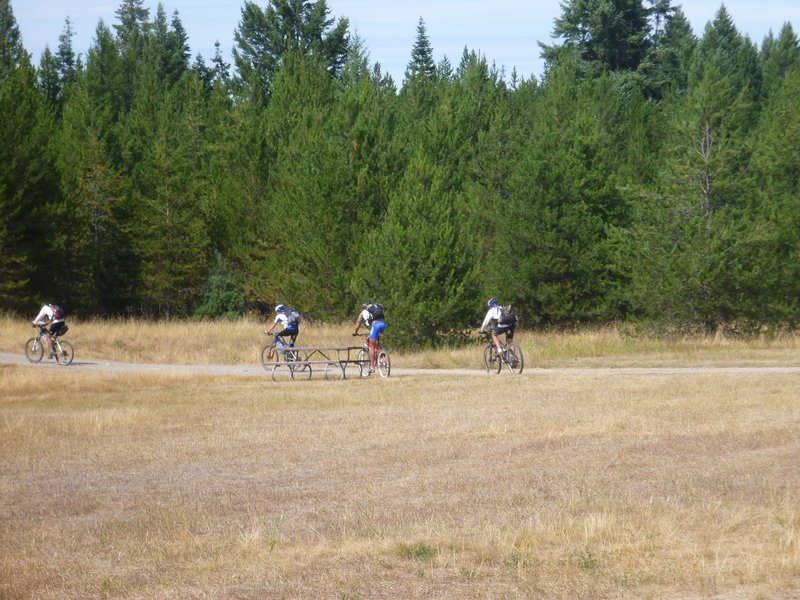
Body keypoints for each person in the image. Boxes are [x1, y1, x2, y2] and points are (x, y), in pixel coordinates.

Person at [353, 302, 386, 374]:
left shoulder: (363, 313)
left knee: (372, 346)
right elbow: (382, 307)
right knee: (377, 342)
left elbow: (358, 325)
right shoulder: (376, 306)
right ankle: (382, 358)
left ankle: (372, 367)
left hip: (376, 325)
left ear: (363, 307)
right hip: (383, 324)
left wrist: (355, 332)